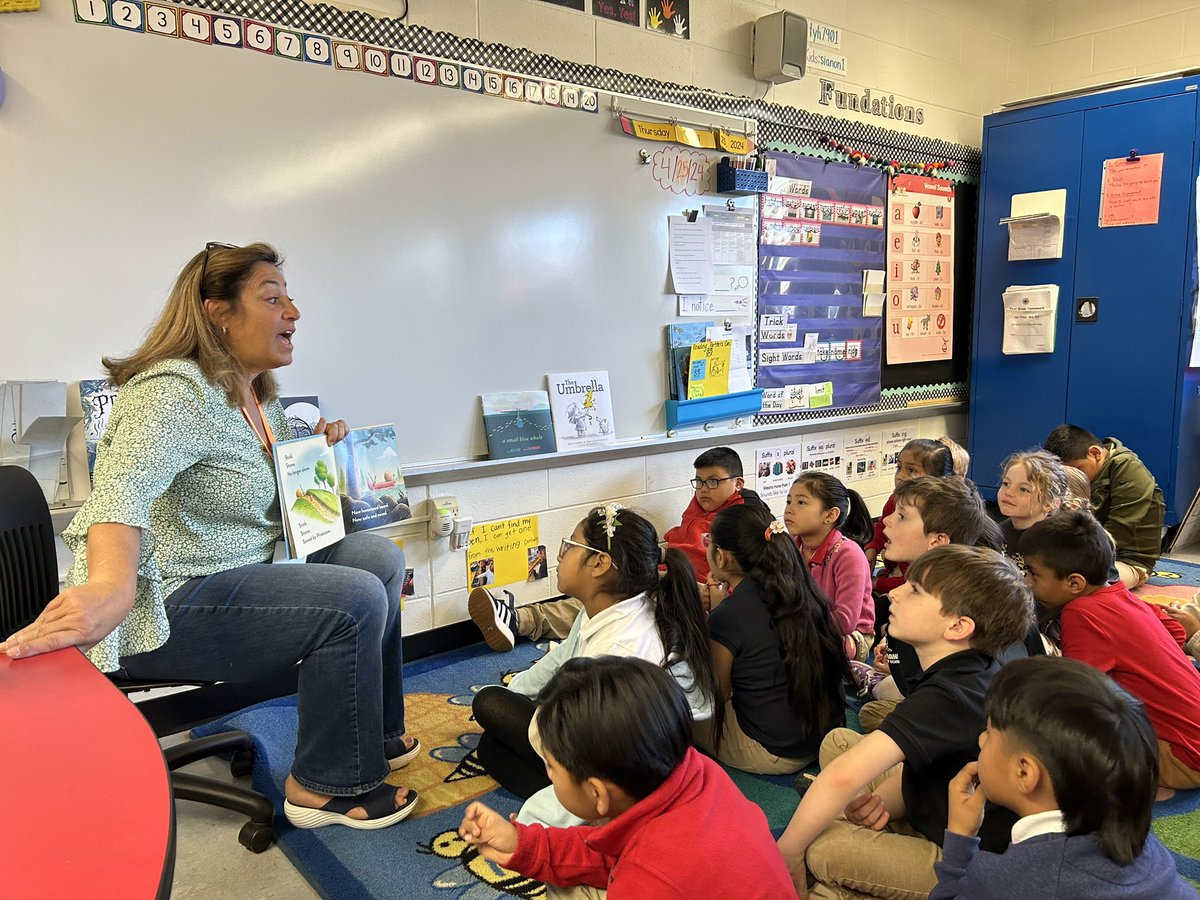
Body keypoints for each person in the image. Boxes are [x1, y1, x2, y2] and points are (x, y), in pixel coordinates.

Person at [0, 242, 419, 829]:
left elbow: (265, 508)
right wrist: (114, 585)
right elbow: (121, 490)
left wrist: (314, 456)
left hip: (232, 577)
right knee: (353, 602)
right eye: (272, 299)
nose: (293, 313)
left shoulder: (252, 396)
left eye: (290, 298)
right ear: (218, 313)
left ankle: (372, 733)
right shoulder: (171, 391)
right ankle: (323, 787)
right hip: (164, 604)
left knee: (377, 558)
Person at [775, 545, 1035, 899]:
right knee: (838, 742)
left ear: (958, 626)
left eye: (915, 590)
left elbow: (845, 776)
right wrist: (881, 801)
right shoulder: (969, 668)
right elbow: (924, 756)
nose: (894, 592)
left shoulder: (950, 695)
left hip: (966, 863)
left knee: (823, 848)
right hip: (937, 804)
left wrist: (787, 852)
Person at [459, 656, 798, 900]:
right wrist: (523, 844)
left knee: (565, 887)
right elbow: (611, 848)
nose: (547, 773)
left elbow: (629, 862)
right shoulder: (700, 772)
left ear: (597, 793)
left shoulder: (646, 880)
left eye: (550, 767)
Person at [471, 505, 718, 805]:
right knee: (492, 741)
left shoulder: (618, 650)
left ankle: (591, 809)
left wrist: (533, 718)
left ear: (600, 563)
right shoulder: (610, 604)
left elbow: (595, 742)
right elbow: (563, 655)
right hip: (613, 737)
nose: (560, 555)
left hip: (622, 763)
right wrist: (516, 692)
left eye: (570, 545)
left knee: (489, 709)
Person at [930, 656, 1195, 899]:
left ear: (1024, 772)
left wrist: (959, 837)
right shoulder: (1146, 843)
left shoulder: (1009, 878)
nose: (980, 740)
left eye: (989, 733)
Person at [467, 446, 768, 651]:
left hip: (693, 590)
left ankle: (522, 621)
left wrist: (705, 591)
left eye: (714, 482)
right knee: (604, 583)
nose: (703, 489)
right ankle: (521, 620)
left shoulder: (742, 519)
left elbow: (744, 575)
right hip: (665, 572)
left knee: (609, 593)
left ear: (738, 482)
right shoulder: (700, 503)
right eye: (699, 481)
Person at [1021, 511, 1200, 800]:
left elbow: (1074, 692)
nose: (1027, 582)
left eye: (1033, 573)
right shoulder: (1120, 594)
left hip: (1183, 758)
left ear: (1075, 584)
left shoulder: (1081, 612)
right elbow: (1176, 632)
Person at [694, 504, 852, 775]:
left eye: (708, 542)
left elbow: (716, 694)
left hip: (774, 752)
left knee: (675, 714)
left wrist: (712, 616)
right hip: (828, 735)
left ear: (721, 557)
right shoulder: (802, 588)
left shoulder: (728, 616)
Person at [853, 476, 1005, 730]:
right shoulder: (944, 580)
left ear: (937, 541)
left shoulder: (954, 601)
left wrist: (895, 649)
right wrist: (889, 645)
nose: (886, 520)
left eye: (902, 516)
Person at [1043, 424, 1165, 589]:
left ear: (1095, 453)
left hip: (1127, 560)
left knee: (1072, 584)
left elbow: (1117, 533)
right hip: (1084, 549)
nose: (1071, 477)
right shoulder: (1090, 471)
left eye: (1078, 469)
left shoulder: (1128, 468)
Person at [865, 438, 960, 639]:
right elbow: (881, 525)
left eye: (912, 471)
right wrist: (873, 547)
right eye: (899, 467)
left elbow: (916, 581)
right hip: (894, 577)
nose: (900, 476)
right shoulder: (895, 500)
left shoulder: (937, 518)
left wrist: (876, 585)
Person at [784, 471, 875, 661]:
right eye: (789, 501)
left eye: (801, 502)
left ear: (830, 515)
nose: (789, 509)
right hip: (803, 625)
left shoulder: (849, 554)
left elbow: (845, 622)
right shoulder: (792, 545)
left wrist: (795, 626)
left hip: (850, 636)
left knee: (804, 649)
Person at [995, 449, 1068, 572]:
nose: (1008, 492)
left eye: (1023, 489)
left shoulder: (1057, 544)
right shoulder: (996, 532)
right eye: (1006, 483)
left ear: (1049, 504)